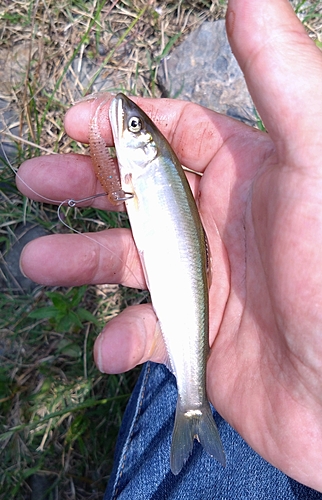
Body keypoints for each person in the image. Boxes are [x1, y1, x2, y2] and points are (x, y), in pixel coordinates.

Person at [17, 0, 322, 498]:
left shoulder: (149, 168)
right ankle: (188, 398)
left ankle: (190, 399)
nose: (125, 125)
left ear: (145, 150)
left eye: (134, 130)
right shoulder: (144, 168)